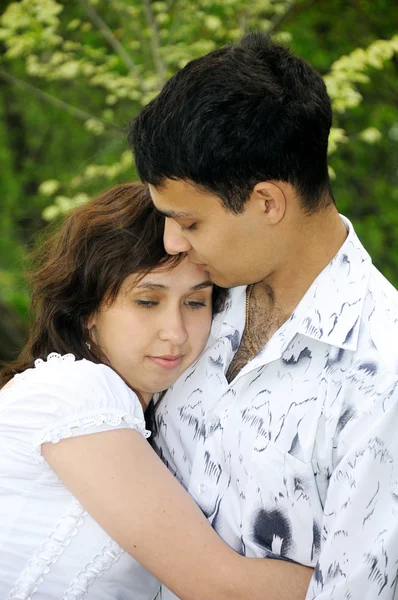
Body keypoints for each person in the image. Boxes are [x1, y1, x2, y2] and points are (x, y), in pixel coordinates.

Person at [129, 32, 398, 600]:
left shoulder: (383, 372)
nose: (171, 241)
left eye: (191, 222)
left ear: (267, 202)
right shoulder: (190, 297)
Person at [0, 182, 312, 600]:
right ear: (89, 310)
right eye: (148, 301)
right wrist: (371, 572)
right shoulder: (73, 389)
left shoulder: (158, 413)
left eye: (195, 303)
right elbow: (218, 586)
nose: (176, 332)